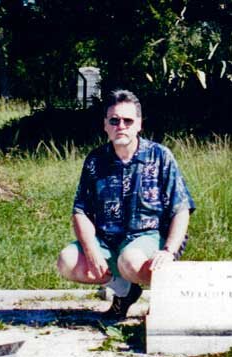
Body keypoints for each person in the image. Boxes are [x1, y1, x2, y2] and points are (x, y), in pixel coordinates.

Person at [56, 90, 195, 321]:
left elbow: (181, 208)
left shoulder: (160, 156)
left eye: (128, 120)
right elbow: (80, 212)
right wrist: (91, 252)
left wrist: (169, 251)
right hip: (107, 241)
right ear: (106, 125)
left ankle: (167, 298)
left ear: (138, 124)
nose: (121, 125)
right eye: (114, 120)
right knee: (67, 261)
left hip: (149, 239)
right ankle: (124, 291)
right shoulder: (95, 161)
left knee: (129, 260)